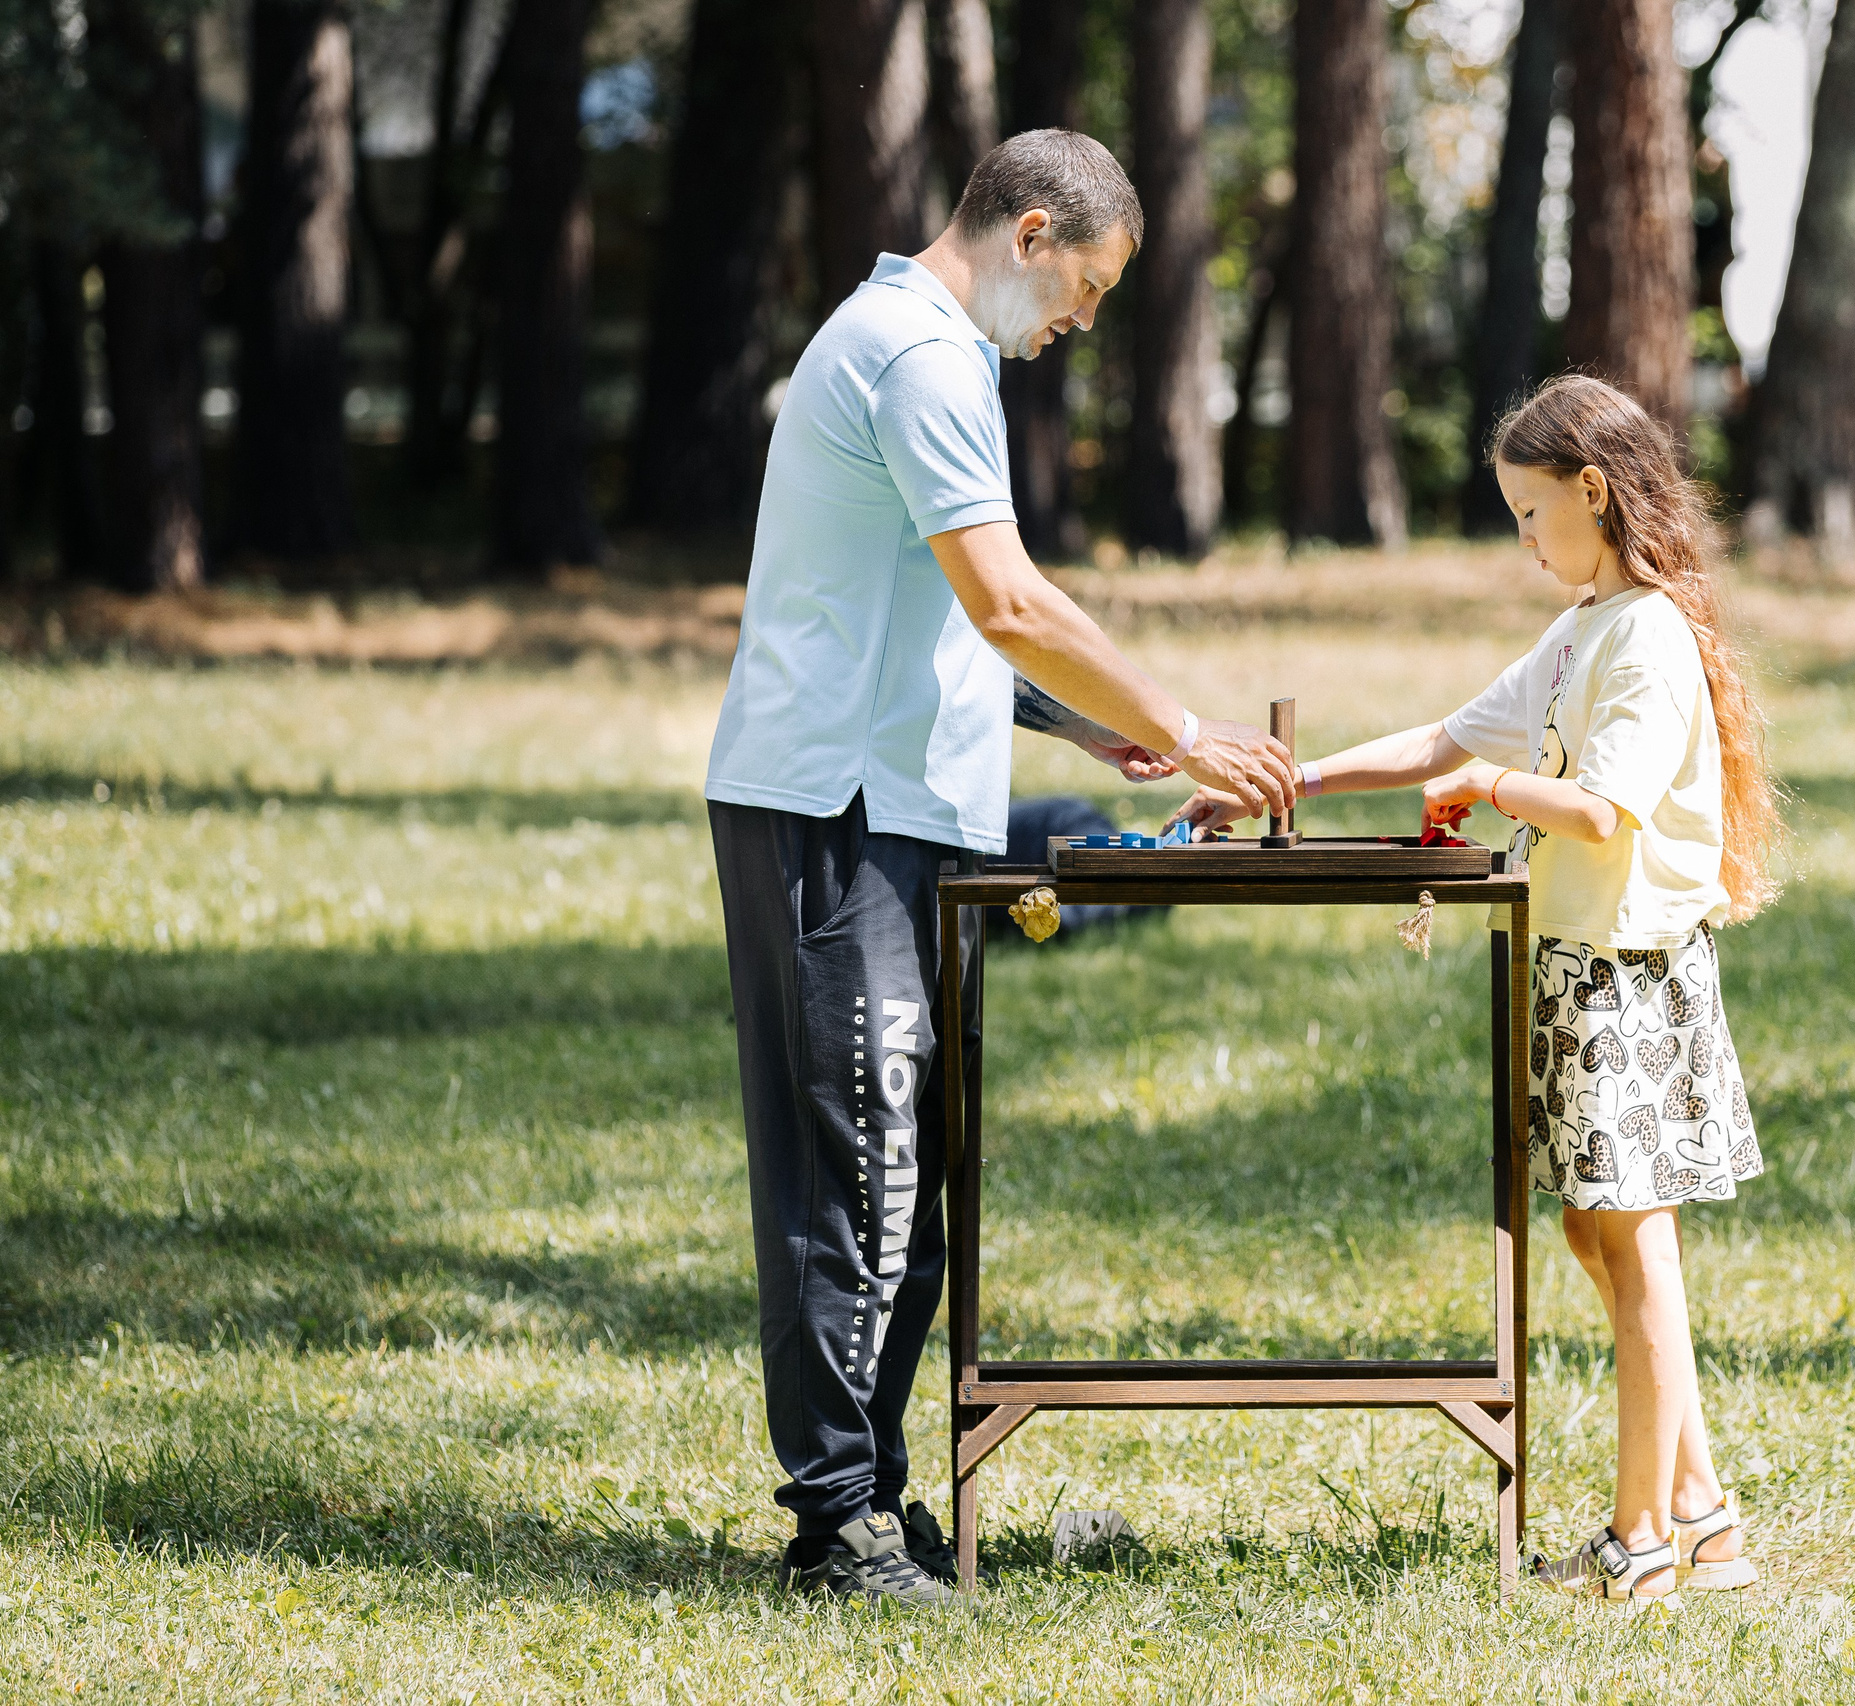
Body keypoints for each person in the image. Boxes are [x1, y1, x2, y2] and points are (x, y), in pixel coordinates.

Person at [705, 128, 1298, 1606]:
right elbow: (1008, 593)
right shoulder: (916, 352)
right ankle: (838, 1528)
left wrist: (1086, 738)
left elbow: (931, 607)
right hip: (840, 815)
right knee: (865, 1171)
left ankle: (874, 1502)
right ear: (1029, 232)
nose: (1079, 324)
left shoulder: (924, 349)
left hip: (900, 806)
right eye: (1084, 289)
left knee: (910, 1169)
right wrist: (1178, 724)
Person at [1170, 374, 1783, 1603]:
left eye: (1527, 511)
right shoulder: (1582, 627)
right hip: (1573, 974)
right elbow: (1444, 737)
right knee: (1591, 1229)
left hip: (1627, 984)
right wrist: (1282, 785)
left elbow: (1597, 810)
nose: (1522, 539)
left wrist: (1488, 795)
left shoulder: (1646, 637)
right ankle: (1703, 1511)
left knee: (1637, 1244)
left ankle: (1638, 1539)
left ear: (1593, 493)